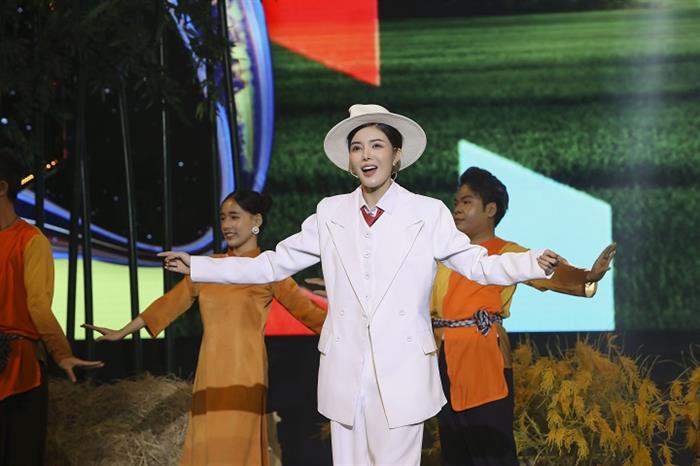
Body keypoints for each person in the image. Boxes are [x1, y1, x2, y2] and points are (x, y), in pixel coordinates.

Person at [159, 104, 562, 466]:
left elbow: (476, 264)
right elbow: (273, 263)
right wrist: (200, 266)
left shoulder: (427, 213)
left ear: (396, 155)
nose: (367, 155)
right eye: (357, 148)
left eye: (376, 146)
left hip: (402, 370)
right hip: (346, 370)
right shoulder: (330, 212)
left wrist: (531, 262)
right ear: (350, 161)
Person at [83, 190, 327, 466]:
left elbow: (310, 315)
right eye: (222, 218)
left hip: (244, 372)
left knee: (235, 447)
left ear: (256, 221)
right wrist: (123, 331)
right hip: (209, 370)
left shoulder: (268, 269)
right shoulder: (208, 268)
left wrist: (355, 331)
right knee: (207, 445)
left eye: (234, 217)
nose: (226, 225)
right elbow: (168, 304)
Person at [431, 166, 616, 466]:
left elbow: (547, 273)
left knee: (492, 452)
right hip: (443, 362)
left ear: (490, 209)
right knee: (454, 452)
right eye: (456, 202)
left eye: (466, 201)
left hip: (483, 358)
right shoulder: (445, 256)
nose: (457, 209)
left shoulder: (507, 252)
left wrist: (587, 276)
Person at [0, 148, 104, 465]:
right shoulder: (31, 240)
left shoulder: (28, 240)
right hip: (19, 371)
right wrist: (62, 353)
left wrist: (60, 351)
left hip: (18, 369)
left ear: (2, 187)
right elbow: (37, 305)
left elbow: (36, 305)